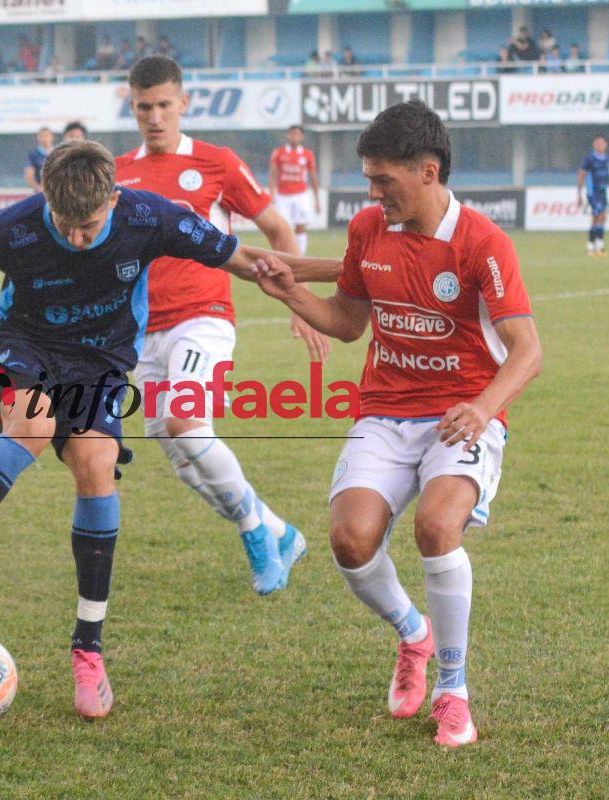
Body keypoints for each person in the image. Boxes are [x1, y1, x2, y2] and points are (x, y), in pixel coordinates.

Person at [0, 140, 337, 718]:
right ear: (44, 197)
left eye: (89, 226)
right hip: (20, 348)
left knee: (98, 466)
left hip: (99, 364)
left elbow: (249, 262)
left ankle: (88, 651)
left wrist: (347, 276)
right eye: (64, 225)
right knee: (35, 424)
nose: (75, 239)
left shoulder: (150, 216)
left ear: (114, 198)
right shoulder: (11, 228)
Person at [249, 100, 542, 749]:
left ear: (428, 172)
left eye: (384, 180)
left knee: (437, 527)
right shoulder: (367, 230)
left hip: (460, 414)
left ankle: (454, 690)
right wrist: (291, 294)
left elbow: (528, 349)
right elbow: (350, 322)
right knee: (350, 541)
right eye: (369, 179)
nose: (372, 191)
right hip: (385, 409)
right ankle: (414, 634)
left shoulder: (483, 244)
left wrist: (484, 408)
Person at [114, 56, 334, 594]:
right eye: (145, 107)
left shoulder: (217, 163)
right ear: (133, 107)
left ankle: (256, 531)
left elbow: (277, 226)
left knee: (187, 425)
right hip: (143, 335)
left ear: (184, 102)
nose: (155, 117)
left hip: (203, 318)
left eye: (165, 105)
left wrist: (298, 303)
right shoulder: (117, 174)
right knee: (184, 460)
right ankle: (279, 530)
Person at [269, 124, 320, 256]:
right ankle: (283, 256)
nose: (294, 137)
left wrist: (317, 200)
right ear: (287, 135)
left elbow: (313, 177)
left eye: (297, 134)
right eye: (292, 134)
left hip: (301, 195)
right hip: (283, 196)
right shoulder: (279, 152)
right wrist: (272, 194)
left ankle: (299, 257)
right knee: (282, 228)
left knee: (301, 227)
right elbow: (273, 174)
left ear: (302, 137)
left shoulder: (307, 154)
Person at [577, 135, 609, 256]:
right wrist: (579, 194)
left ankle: (599, 245)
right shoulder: (589, 159)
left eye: (602, 144)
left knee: (602, 217)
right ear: (594, 145)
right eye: (598, 144)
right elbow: (582, 175)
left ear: (605, 145)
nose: (600, 146)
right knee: (597, 216)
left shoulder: (607, 160)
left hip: (603, 191)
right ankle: (591, 246)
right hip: (593, 192)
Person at [24, 127, 54, 192]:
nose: (45, 138)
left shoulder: (58, 152)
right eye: (41, 136)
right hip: (40, 191)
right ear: (38, 138)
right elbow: (29, 177)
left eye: (46, 135)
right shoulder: (33, 154)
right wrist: (38, 188)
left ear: (52, 137)